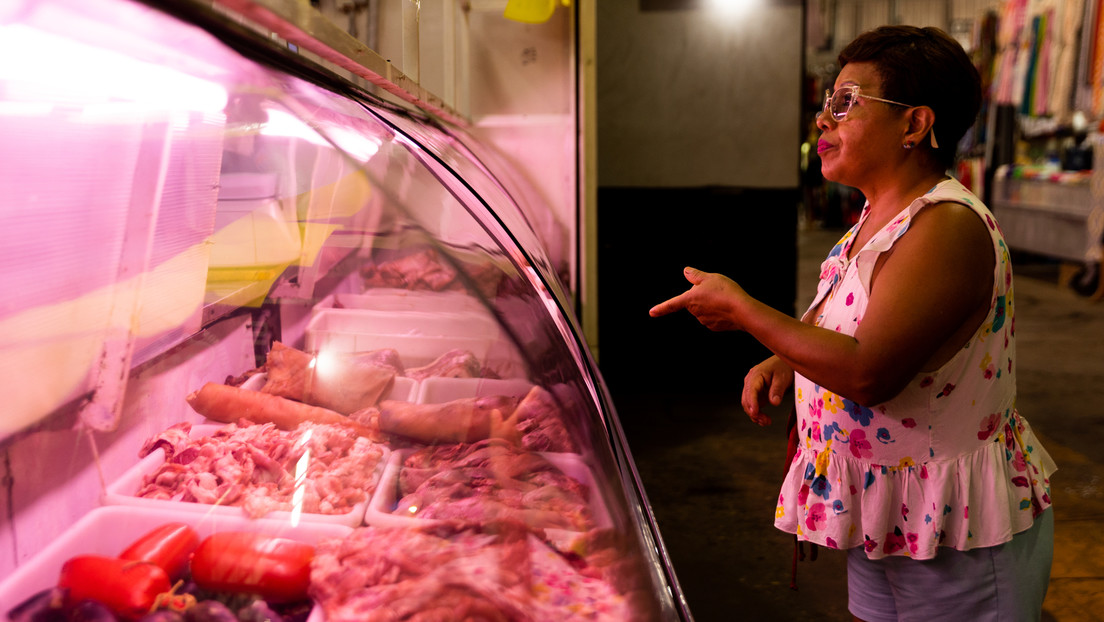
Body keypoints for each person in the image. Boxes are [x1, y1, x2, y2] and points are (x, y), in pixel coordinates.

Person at [650, 25, 1056, 622]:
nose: (823, 121)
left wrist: (746, 313)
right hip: (888, 512)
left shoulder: (944, 228)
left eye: (845, 103)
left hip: (955, 529)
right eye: (827, 104)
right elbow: (854, 316)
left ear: (914, 125)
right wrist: (786, 357)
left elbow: (869, 373)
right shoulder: (877, 216)